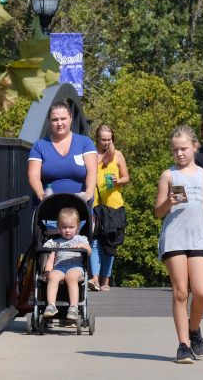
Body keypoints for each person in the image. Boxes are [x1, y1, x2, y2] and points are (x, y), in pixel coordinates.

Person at [155, 125, 203, 364]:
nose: (179, 154)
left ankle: (194, 329)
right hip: (174, 237)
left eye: (183, 148)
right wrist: (168, 202)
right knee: (181, 292)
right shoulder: (168, 175)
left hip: (198, 238)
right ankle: (183, 345)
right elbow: (158, 212)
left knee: (202, 292)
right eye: (175, 150)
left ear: (194, 147)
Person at [27, 100, 98, 204]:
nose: (59, 123)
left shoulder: (85, 143)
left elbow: (92, 172)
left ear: (71, 118)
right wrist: (42, 196)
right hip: (48, 210)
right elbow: (33, 175)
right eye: (55, 120)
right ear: (49, 121)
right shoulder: (39, 146)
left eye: (63, 119)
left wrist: (88, 194)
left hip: (79, 209)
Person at [89, 124, 129, 292]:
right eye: (103, 139)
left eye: (109, 139)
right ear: (97, 138)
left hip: (113, 203)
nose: (106, 143)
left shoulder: (117, 155)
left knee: (110, 242)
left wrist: (118, 180)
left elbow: (126, 177)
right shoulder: (90, 155)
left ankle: (106, 280)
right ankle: (95, 278)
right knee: (95, 240)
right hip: (95, 204)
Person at [42, 208, 91, 322]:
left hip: (75, 267)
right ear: (58, 228)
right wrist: (47, 271)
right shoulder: (55, 241)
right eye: (64, 227)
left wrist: (82, 246)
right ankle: (51, 305)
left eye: (71, 227)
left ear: (77, 227)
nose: (67, 231)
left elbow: (89, 251)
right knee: (52, 276)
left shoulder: (81, 239)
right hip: (59, 267)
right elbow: (50, 259)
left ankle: (73, 307)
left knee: (71, 276)